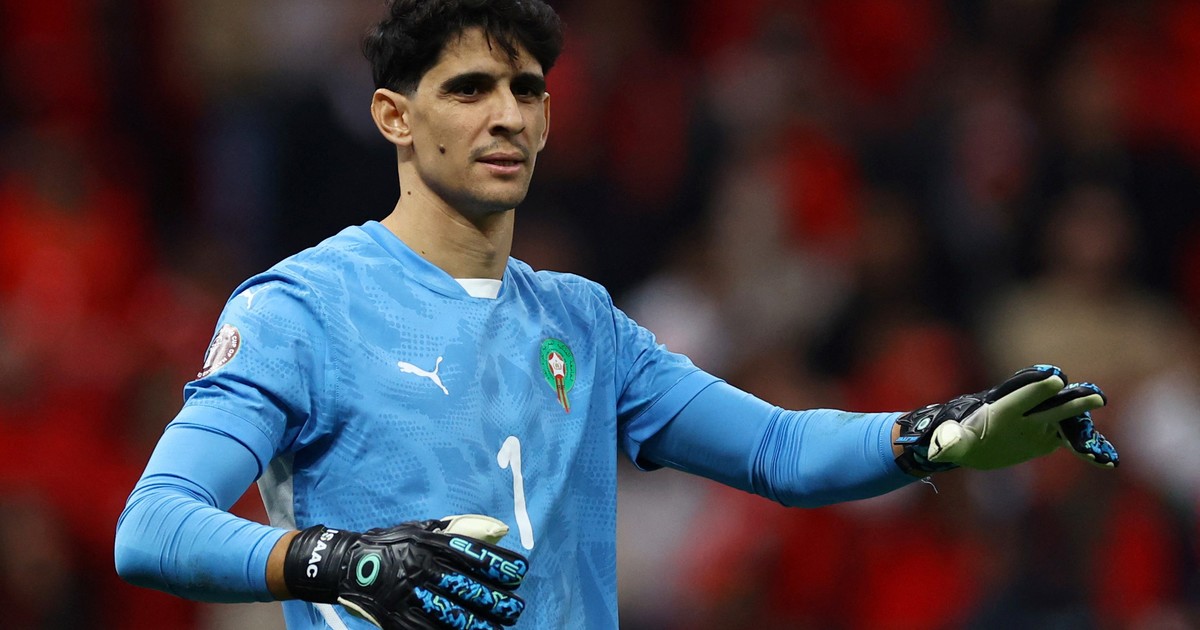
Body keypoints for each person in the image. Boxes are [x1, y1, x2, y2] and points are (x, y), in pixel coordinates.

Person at [113, 1, 1119, 629]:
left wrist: (932, 437)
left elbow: (777, 450)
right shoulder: (302, 308)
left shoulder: (583, 323)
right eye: (469, 89)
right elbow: (152, 526)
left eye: (527, 90)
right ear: (394, 116)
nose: (506, 115)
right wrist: (340, 559)